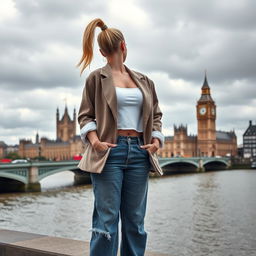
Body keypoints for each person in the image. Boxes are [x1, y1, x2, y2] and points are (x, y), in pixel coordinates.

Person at [76, 18, 165, 256]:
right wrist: (95, 142)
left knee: (135, 222)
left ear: (102, 51)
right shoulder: (96, 79)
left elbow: (156, 114)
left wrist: (155, 141)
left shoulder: (145, 81)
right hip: (109, 153)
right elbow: (85, 116)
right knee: (107, 221)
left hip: (139, 151)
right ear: (124, 46)